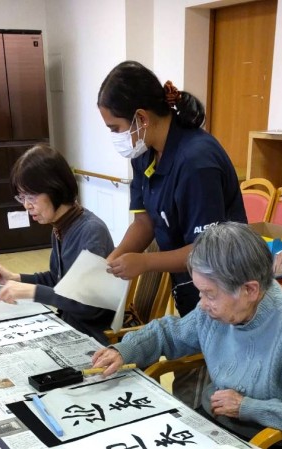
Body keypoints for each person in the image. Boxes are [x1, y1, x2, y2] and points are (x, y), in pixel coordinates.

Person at [92, 222, 282, 448]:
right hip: (215, 422)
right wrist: (124, 350)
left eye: (210, 294)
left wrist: (247, 407)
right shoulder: (215, 311)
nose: (202, 304)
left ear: (250, 290)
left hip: (270, 439)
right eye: (200, 292)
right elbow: (169, 333)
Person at [97, 60, 246, 317]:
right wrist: (113, 260)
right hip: (188, 281)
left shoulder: (197, 161)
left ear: (141, 118)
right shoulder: (144, 153)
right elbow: (145, 222)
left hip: (225, 286)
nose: (115, 137)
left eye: (115, 128)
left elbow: (206, 251)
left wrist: (144, 262)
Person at [0, 144, 115, 344]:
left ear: (55, 189)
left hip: (93, 336)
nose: (26, 205)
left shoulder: (91, 231)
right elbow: (58, 280)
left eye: (31, 197)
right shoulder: (60, 227)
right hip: (70, 324)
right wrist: (14, 278)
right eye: (22, 197)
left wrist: (31, 292)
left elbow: (87, 305)